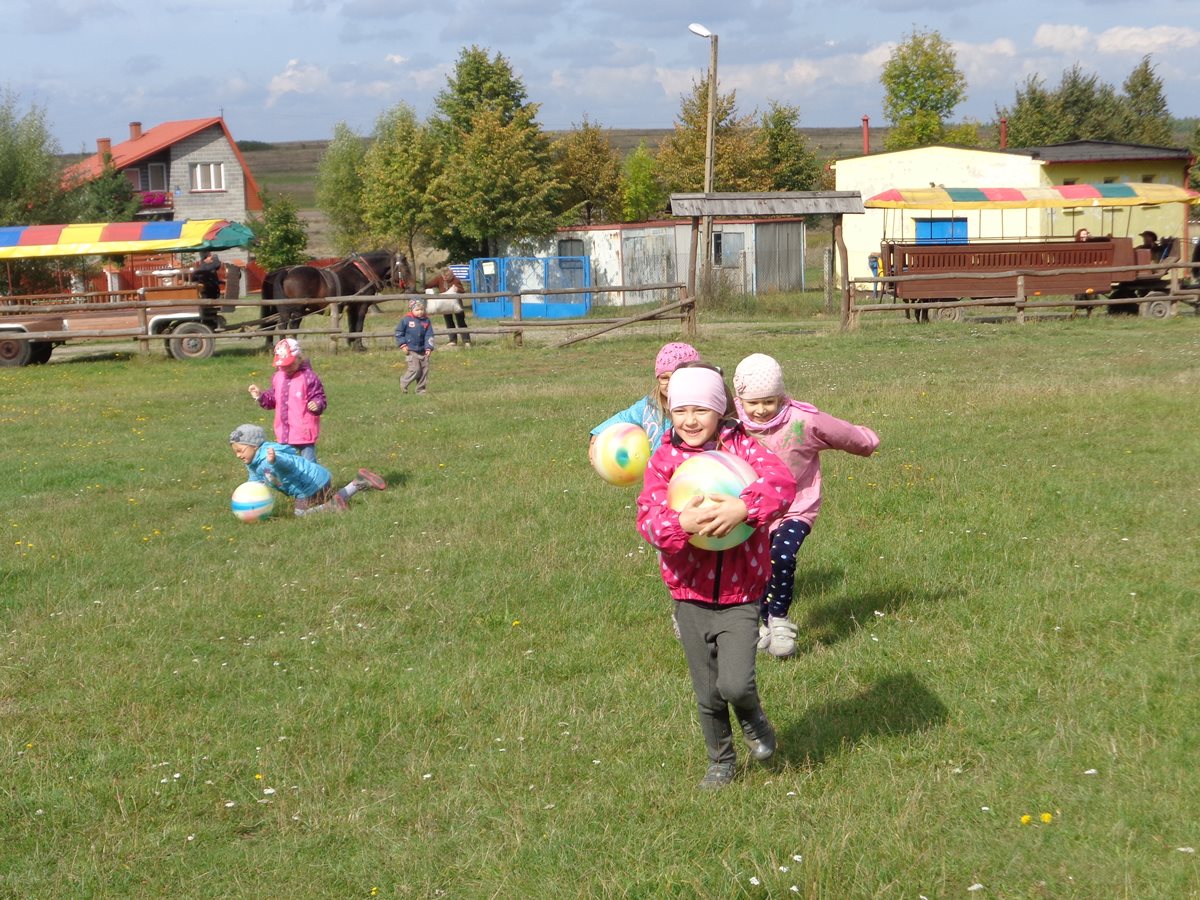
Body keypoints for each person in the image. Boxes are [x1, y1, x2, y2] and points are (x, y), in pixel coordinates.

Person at [636, 363, 797, 790]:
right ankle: (721, 762)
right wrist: (680, 524)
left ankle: (752, 715)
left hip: (741, 591)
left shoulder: (743, 448)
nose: (690, 420)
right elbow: (648, 519)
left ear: (720, 409)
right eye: (680, 410)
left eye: (701, 410)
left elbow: (782, 484)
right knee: (708, 692)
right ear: (670, 410)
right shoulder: (663, 461)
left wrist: (745, 507)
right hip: (688, 592)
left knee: (735, 683)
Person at [733, 354, 880, 658]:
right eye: (753, 403)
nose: (760, 410)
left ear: (781, 396)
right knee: (755, 566)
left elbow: (839, 432)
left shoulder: (802, 420)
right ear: (740, 400)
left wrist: (866, 442)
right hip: (754, 511)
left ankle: (779, 620)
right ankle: (761, 623)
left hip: (796, 506)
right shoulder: (733, 426)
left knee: (781, 556)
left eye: (769, 402)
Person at [229, 424, 386, 516]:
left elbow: (287, 463)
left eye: (240, 450)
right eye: (235, 452)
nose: (238, 455)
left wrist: (275, 461)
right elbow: (254, 481)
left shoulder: (269, 456)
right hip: (318, 479)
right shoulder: (252, 462)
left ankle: (332, 506)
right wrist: (245, 496)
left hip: (309, 485)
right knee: (330, 498)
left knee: (301, 515)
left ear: (254, 446)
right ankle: (358, 482)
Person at [589, 342, 700, 459]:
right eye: (664, 378)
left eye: (677, 377)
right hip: (656, 468)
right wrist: (597, 434)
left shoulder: (702, 408)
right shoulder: (649, 406)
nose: (671, 383)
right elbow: (625, 417)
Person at [248, 338, 327, 462]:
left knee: (309, 464)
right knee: (286, 464)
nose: (287, 368)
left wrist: (317, 404)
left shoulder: (308, 377)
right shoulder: (278, 377)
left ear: (299, 358)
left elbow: (319, 396)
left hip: (304, 431)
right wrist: (260, 396)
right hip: (284, 432)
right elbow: (272, 399)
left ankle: (313, 475)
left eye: (290, 364)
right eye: (283, 366)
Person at [424, 267, 471, 348]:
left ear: (451, 275)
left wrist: (457, 289)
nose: (445, 277)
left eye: (447, 276)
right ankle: (452, 340)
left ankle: (466, 341)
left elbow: (462, 290)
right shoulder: (439, 279)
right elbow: (428, 285)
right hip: (444, 305)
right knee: (449, 322)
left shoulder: (456, 280)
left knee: (461, 321)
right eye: (443, 276)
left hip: (456, 304)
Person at [395, 298, 434, 394]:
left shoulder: (426, 321)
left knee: (424, 370)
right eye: (417, 310)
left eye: (422, 310)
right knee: (415, 369)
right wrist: (403, 344)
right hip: (411, 349)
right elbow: (399, 333)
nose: (420, 312)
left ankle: (421, 389)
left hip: (423, 349)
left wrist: (429, 347)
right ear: (411, 310)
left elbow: (429, 335)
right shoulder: (406, 320)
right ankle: (404, 382)